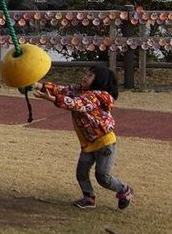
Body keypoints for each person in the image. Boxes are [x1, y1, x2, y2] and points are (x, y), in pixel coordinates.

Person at [34, 65, 134, 210]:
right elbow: (62, 90)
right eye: (86, 73)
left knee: (103, 177)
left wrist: (53, 99)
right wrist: (38, 85)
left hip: (104, 144)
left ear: (98, 80)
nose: (85, 76)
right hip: (88, 143)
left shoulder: (94, 97)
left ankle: (124, 190)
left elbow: (75, 104)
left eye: (90, 75)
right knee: (81, 172)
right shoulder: (81, 91)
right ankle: (89, 198)